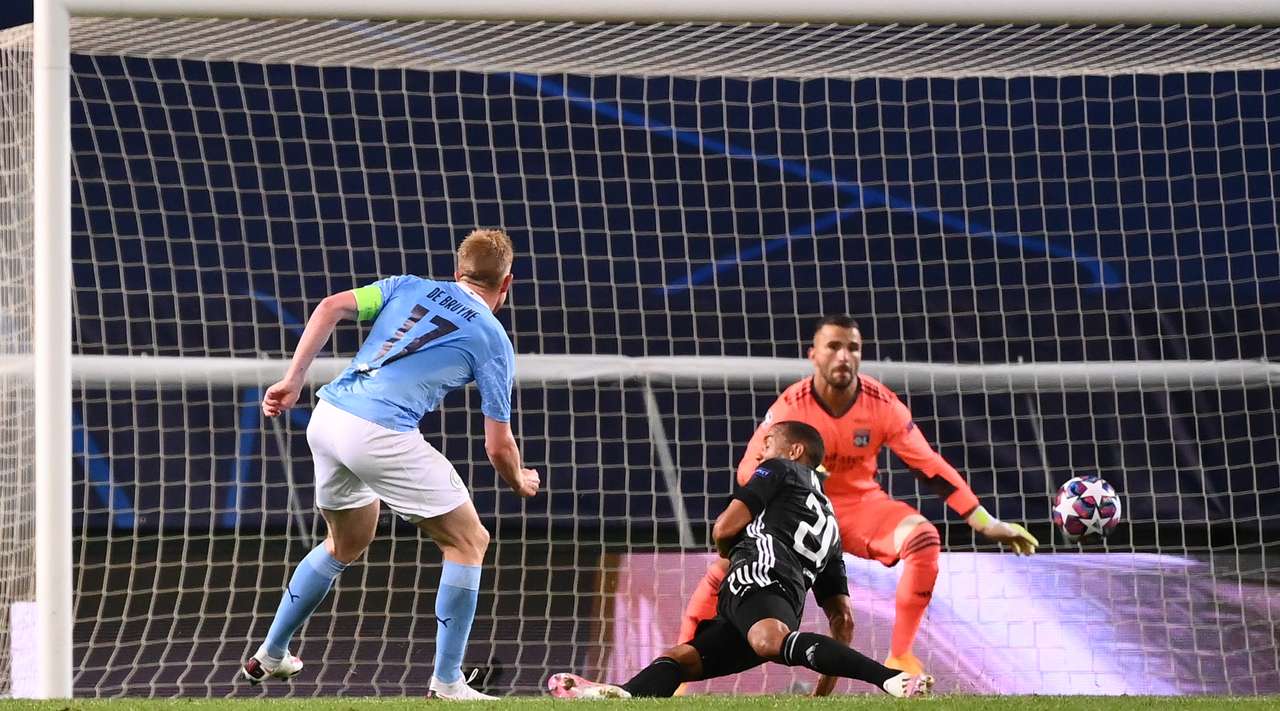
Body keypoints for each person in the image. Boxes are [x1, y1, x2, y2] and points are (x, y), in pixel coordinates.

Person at [242, 228, 540, 700]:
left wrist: (293, 379)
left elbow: (329, 306)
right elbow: (498, 446)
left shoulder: (408, 285)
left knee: (346, 541)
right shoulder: (492, 339)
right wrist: (519, 480)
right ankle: (448, 683)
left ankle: (272, 653)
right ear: (507, 284)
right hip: (378, 433)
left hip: (329, 416)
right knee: (469, 541)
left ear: (456, 272)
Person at [678, 314, 1037, 689]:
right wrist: (800, 478)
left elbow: (928, 465)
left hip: (861, 508)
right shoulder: (790, 408)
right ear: (813, 355)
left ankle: (900, 656)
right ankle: (680, 671)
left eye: (853, 348)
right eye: (833, 346)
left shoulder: (882, 403)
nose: (843, 356)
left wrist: (984, 521)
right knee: (725, 570)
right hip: (798, 512)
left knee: (924, 538)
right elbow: (748, 470)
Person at [548, 421, 932, 699]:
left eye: (768, 442)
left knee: (768, 641)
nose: (761, 452)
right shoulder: (830, 522)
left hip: (757, 580)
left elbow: (724, 526)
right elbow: (843, 620)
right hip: (777, 605)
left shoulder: (780, 469)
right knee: (681, 659)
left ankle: (889, 677)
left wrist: (725, 549)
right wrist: (821, 697)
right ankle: (622, 695)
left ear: (795, 451)